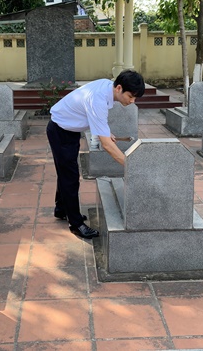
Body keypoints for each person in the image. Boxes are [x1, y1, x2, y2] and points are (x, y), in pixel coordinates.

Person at [46, 70, 145, 239]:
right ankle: (76, 224)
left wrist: (104, 131)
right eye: (130, 96)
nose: (132, 101)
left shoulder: (107, 86)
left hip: (68, 130)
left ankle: (61, 209)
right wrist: (130, 165)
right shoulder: (99, 98)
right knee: (70, 177)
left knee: (65, 172)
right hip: (61, 131)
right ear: (119, 88)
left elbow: (96, 118)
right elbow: (107, 145)